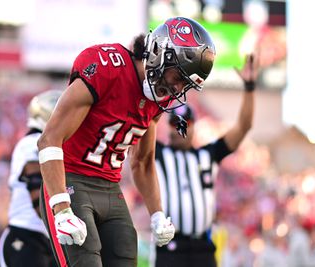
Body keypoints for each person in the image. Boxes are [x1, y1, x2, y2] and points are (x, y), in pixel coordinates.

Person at [37, 16, 216, 267]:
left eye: (183, 84)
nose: (176, 88)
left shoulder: (158, 99)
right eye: (177, 76)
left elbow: (142, 161)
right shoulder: (106, 68)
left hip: (110, 188)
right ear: (159, 53)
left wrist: (157, 213)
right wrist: (61, 207)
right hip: (71, 179)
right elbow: (49, 139)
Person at [151, 54, 257, 267]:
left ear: (194, 126)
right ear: (168, 126)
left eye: (186, 123)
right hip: (170, 247)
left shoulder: (209, 154)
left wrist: (249, 87)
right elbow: (141, 128)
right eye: (175, 123)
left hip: (203, 248)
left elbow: (243, 127)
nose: (181, 129)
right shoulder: (158, 153)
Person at [0, 90, 62, 267]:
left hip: (47, 238)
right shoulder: (33, 142)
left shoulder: (48, 143)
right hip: (26, 235)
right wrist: (64, 219)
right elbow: (37, 186)